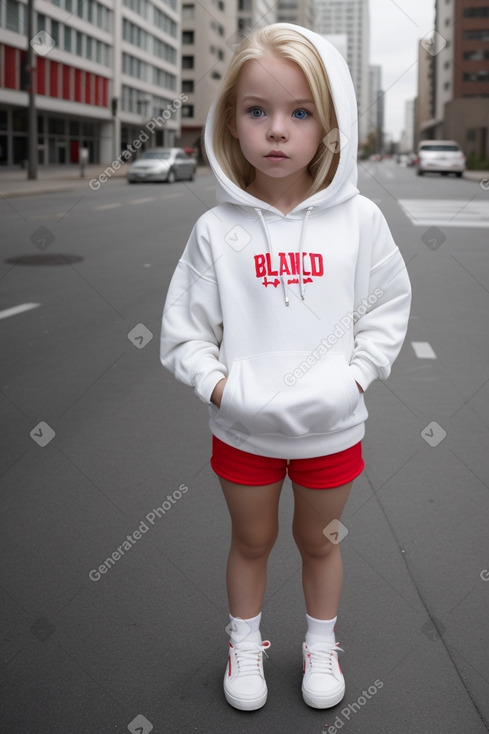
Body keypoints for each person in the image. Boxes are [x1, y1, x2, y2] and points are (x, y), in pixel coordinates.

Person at [160, 23, 411, 712]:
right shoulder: (215, 230)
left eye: (299, 112)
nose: (277, 130)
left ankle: (319, 644)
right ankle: (246, 643)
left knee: (318, 543)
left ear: (328, 126)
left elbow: (388, 307)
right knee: (250, 540)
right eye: (257, 111)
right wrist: (221, 388)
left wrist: (353, 378)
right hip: (242, 433)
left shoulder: (358, 220)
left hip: (332, 432)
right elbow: (183, 332)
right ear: (231, 123)